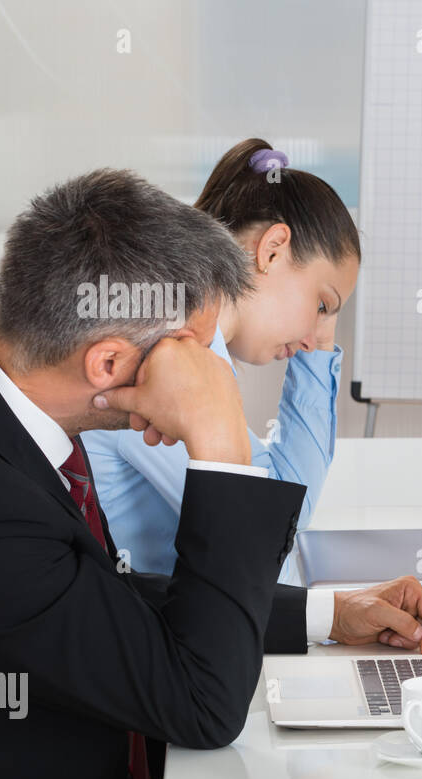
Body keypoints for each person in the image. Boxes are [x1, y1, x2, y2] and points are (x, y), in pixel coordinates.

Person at [0, 169, 422, 779]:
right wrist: (218, 436)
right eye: (192, 359)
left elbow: (89, 598)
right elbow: (204, 705)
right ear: (108, 361)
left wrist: (325, 615)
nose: (207, 376)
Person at [82, 138, 358, 585]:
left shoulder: (195, 345)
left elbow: (286, 497)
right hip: (155, 627)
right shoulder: (167, 353)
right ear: (272, 250)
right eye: (323, 305)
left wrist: (323, 328)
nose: (313, 338)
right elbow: (274, 528)